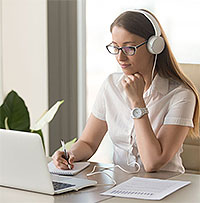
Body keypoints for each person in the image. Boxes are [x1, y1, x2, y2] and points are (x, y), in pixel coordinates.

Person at [53, 9, 200, 173]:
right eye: (115, 48)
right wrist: (70, 154)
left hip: (166, 190)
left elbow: (153, 162)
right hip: (120, 186)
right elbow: (88, 143)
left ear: (154, 47)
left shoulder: (181, 96)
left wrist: (137, 102)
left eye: (129, 48)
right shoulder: (111, 85)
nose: (120, 58)